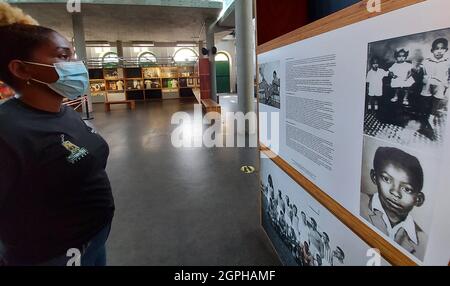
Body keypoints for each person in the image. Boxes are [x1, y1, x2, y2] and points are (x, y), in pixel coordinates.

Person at [0, 3, 115, 266]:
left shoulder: (66, 112)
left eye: (73, 56)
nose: (76, 65)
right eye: (63, 56)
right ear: (22, 69)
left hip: (94, 242)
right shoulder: (7, 131)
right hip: (50, 256)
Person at [360, 147, 427, 260]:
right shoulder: (360, 202)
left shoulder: (423, 243)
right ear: (374, 177)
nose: (395, 193)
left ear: (418, 199)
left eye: (407, 189)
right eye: (387, 179)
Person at [421, 38, 450, 127]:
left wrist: (447, 83)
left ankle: (431, 117)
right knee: (426, 100)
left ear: (446, 50)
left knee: (436, 101)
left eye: (442, 48)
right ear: (432, 50)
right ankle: (424, 117)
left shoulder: (447, 61)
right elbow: (422, 71)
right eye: (437, 49)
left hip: (440, 85)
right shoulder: (427, 60)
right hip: (428, 84)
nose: (439, 51)